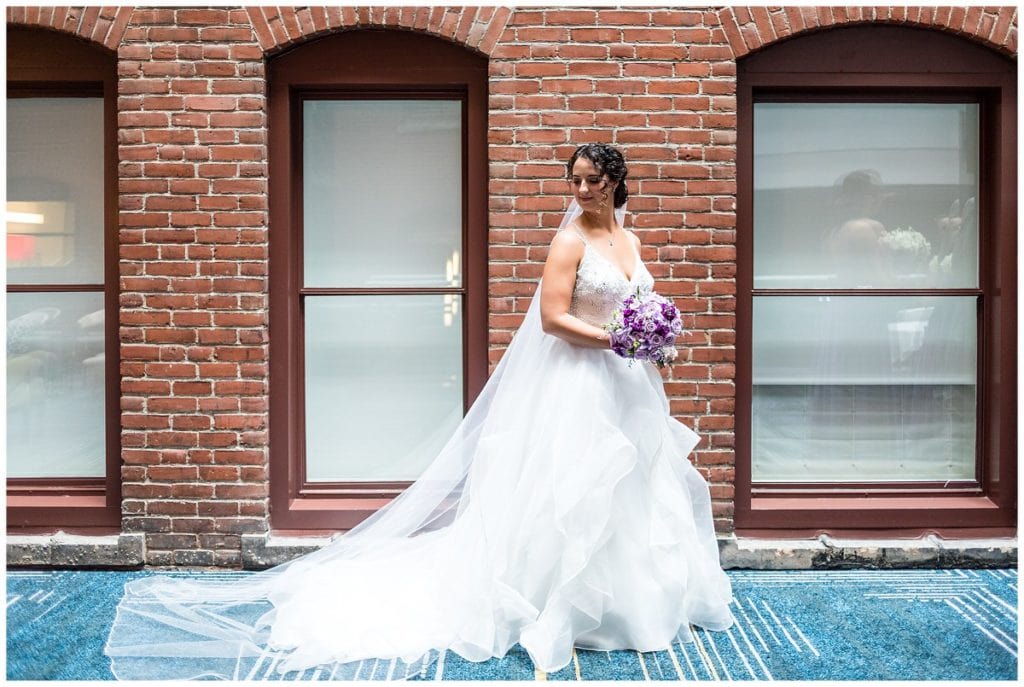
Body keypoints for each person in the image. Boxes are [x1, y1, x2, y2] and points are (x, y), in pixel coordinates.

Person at [105, 143, 735, 680]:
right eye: (573, 181)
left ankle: (632, 603)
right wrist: (617, 340)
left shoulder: (630, 238)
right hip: (580, 381)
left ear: (616, 182)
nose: (581, 190)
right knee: (569, 485)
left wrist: (655, 342)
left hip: (627, 383)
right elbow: (551, 319)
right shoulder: (568, 241)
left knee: (633, 486)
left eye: (592, 181)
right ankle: (553, 600)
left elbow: (635, 303)